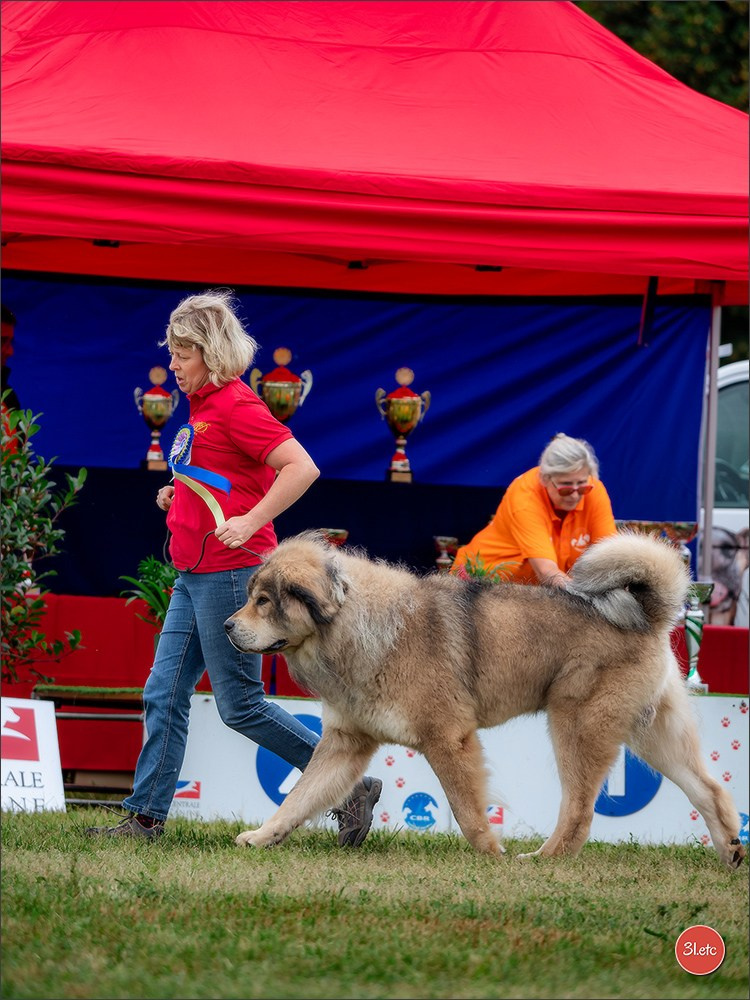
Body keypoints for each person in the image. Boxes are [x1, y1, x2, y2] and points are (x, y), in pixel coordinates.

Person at [88, 290, 382, 843]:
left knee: (239, 705)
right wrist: (177, 494)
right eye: (173, 353)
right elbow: (223, 478)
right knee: (164, 693)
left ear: (211, 352)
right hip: (192, 573)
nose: (172, 364)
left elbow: (301, 468)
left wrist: (249, 522)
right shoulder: (203, 407)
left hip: (231, 572)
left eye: (182, 354)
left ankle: (346, 787)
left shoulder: (238, 405)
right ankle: (144, 820)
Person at [450, 433, 617, 586]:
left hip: (536, 592)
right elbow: (547, 572)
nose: (574, 494)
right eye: (565, 487)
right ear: (545, 479)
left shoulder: (594, 489)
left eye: (581, 487)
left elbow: (610, 557)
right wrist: (589, 599)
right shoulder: (525, 497)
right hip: (485, 585)